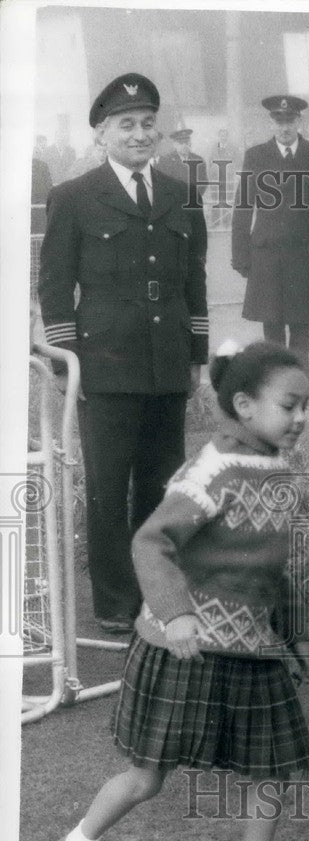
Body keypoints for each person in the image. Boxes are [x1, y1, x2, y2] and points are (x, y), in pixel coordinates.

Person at [47, 341, 309, 841]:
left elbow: (271, 567)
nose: (300, 419)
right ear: (245, 405)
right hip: (184, 649)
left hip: (254, 649)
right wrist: (176, 614)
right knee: (146, 778)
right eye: (290, 405)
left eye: (308, 408)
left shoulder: (280, 471)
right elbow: (152, 541)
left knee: (271, 772)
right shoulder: (212, 470)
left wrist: (296, 637)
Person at [37, 73, 208, 633]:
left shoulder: (182, 194)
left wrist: (196, 358)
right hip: (105, 364)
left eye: (147, 124)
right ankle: (113, 601)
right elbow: (56, 288)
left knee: (163, 486)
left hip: (166, 361)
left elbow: (194, 281)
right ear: (100, 134)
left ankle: (157, 593)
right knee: (109, 487)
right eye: (127, 125)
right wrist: (70, 362)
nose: (140, 134)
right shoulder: (74, 197)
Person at [231, 95, 309, 378]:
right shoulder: (255, 155)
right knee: (272, 323)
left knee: (302, 324)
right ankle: (277, 384)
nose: (285, 127)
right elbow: (243, 207)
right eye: (279, 121)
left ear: (299, 121)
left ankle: (301, 384)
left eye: (290, 120)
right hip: (267, 253)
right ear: (271, 123)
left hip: (306, 252)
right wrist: (240, 254)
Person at [158, 127, 209, 203]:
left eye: (187, 142)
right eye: (181, 143)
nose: (184, 146)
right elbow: (162, 183)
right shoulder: (166, 160)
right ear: (175, 144)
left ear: (190, 143)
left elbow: (203, 181)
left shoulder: (199, 160)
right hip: (173, 203)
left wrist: (194, 196)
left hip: (193, 202)